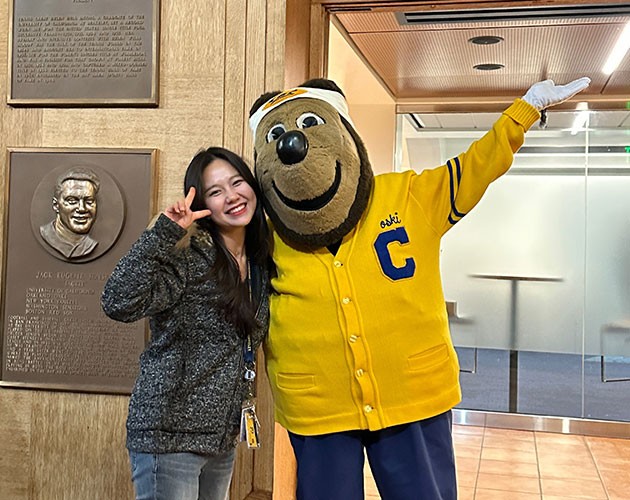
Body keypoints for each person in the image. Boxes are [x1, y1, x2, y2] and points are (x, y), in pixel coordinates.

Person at [248, 77, 590, 499]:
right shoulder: (261, 233)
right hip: (318, 405)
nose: (292, 146)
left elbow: (477, 165)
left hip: (414, 394)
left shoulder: (409, 194)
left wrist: (526, 108)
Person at [101, 146, 271, 500]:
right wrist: (164, 233)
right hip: (170, 436)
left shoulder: (259, 263)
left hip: (220, 439)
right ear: (203, 205)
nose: (232, 196)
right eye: (215, 191)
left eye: (237, 183)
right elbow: (118, 302)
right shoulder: (190, 258)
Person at [40, 166, 100, 259]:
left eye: (89, 201)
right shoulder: (46, 233)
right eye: (72, 201)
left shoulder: (91, 244)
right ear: (56, 205)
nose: (82, 208)